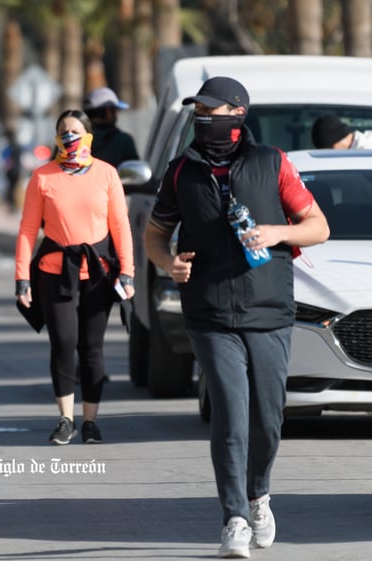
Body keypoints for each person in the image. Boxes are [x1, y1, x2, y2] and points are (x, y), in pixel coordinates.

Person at [143, 76, 330, 558]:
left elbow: (318, 227)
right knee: (229, 412)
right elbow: (155, 234)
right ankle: (234, 519)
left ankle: (259, 494)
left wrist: (273, 232)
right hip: (208, 313)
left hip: (267, 309)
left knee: (268, 418)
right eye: (197, 110)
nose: (202, 117)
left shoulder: (272, 162)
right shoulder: (181, 171)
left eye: (211, 108)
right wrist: (169, 263)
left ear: (237, 112)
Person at [15, 109, 135, 446]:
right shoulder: (43, 177)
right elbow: (27, 230)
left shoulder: (107, 175)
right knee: (63, 344)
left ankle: (91, 421)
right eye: (63, 131)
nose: (69, 137)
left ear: (88, 135)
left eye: (75, 130)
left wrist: (127, 272)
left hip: (98, 272)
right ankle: (66, 419)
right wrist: (22, 278)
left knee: (92, 348)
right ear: (56, 138)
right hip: (55, 272)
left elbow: (120, 226)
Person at [82, 86, 140, 167]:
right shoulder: (124, 140)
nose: (116, 115)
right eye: (114, 110)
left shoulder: (74, 140)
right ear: (108, 112)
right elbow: (134, 172)